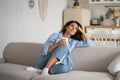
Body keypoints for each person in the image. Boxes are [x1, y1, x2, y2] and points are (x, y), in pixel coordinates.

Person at [26, 20, 93, 75]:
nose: (73, 29)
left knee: (65, 68)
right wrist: (57, 44)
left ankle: (42, 71)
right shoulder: (55, 35)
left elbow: (89, 43)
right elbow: (45, 50)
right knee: (64, 47)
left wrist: (82, 31)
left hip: (56, 65)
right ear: (66, 26)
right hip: (43, 61)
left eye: (76, 28)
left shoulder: (73, 42)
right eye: (72, 26)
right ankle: (46, 68)